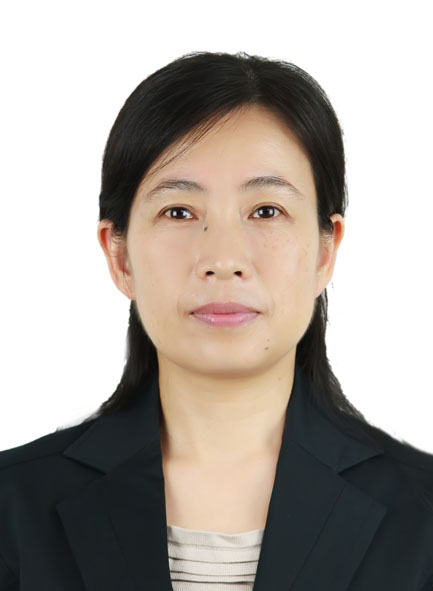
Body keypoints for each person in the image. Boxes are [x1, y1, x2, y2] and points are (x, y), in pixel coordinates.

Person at [1, 50, 432, 591]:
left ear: (326, 251)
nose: (223, 259)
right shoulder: (13, 509)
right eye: (179, 212)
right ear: (120, 256)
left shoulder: (422, 517)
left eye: (266, 211)